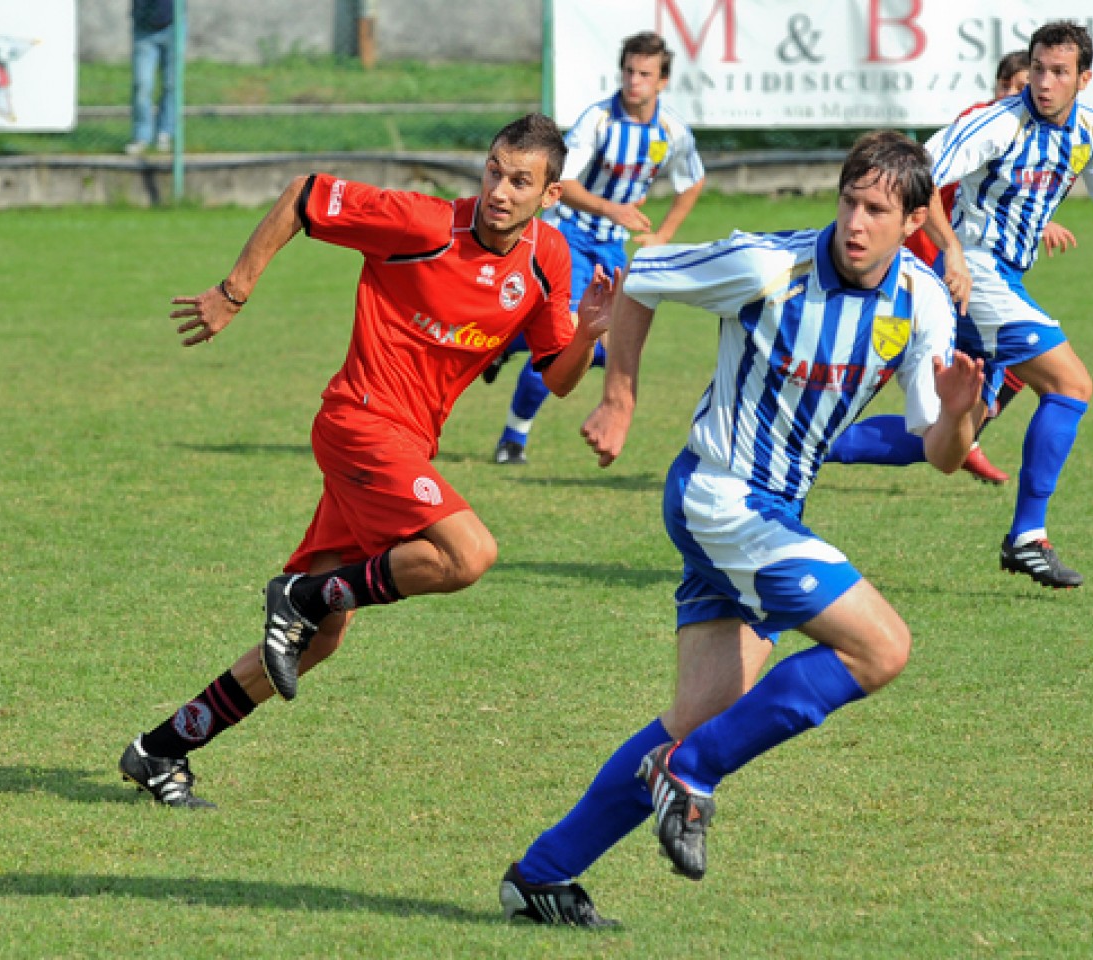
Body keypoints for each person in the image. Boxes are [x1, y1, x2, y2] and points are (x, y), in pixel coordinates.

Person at [498, 130, 984, 926]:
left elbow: (937, 451)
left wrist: (962, 418)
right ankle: (691, 774)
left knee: (697, 712)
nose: (857, 223)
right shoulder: (768, 266)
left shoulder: (924, 301)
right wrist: (620, 397)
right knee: (881, 646)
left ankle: (544, 873)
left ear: (915, 220)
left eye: (877, 210)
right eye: (849, 202)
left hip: (772, 512)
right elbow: (643, 278)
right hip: (722, 496)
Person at [118, 114, 617, 808]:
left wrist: (590, 335)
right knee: (469, 553)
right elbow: (302, 195)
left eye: (521, 180)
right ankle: (300, 597)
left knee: (317, 643)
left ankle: (162, 749)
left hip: (404, 446)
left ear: (550, 193)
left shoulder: (549, 260)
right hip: (359, 423)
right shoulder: (425, 224)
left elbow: (556, 378)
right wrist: (234, 291)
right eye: (495, 170)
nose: (501, 189)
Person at [927, 20, 1093, 588]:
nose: (1044, 82)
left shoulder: (1088, 132)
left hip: (1004, 278)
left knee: (951, 437)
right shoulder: (997, 124)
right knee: (1071, 384)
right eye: (1038, 68)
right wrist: (952, 253)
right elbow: (921, 173)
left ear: (1083, 79)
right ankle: (1027, 538)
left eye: (1059, 72)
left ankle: (819, 445)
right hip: (978, 273)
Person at [827, 50, 1079, 486]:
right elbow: (928, 179)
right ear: (1000, 89)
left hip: (961, 277)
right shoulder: (983, 123)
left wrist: (1039, 220)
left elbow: (1006, 198)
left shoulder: (1030, 138)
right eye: (1015, 86)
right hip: (935, 273)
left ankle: (810, 441)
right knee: (951, 415)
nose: (1028, 94)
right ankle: (805, 440)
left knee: (957, 419)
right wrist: (952, 252)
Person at [489, 31, 706, 465]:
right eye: (629, 71)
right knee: (566, 339)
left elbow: (694, 181)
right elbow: (560, 184)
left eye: (645, 74)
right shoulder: (599, 120)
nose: (634, 81)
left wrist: (662, 235)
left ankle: (501, 344)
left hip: (612, 248)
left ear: (662, 81)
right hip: (570, 236)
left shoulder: (671, 130)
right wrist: (613, 210)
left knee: (605, 349)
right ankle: (513, 439)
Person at [125, 0, 176, 156]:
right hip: (144, 28)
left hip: (173, 25)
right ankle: (142, 136)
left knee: (171, 84)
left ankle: (165, 132)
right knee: (142, 84)